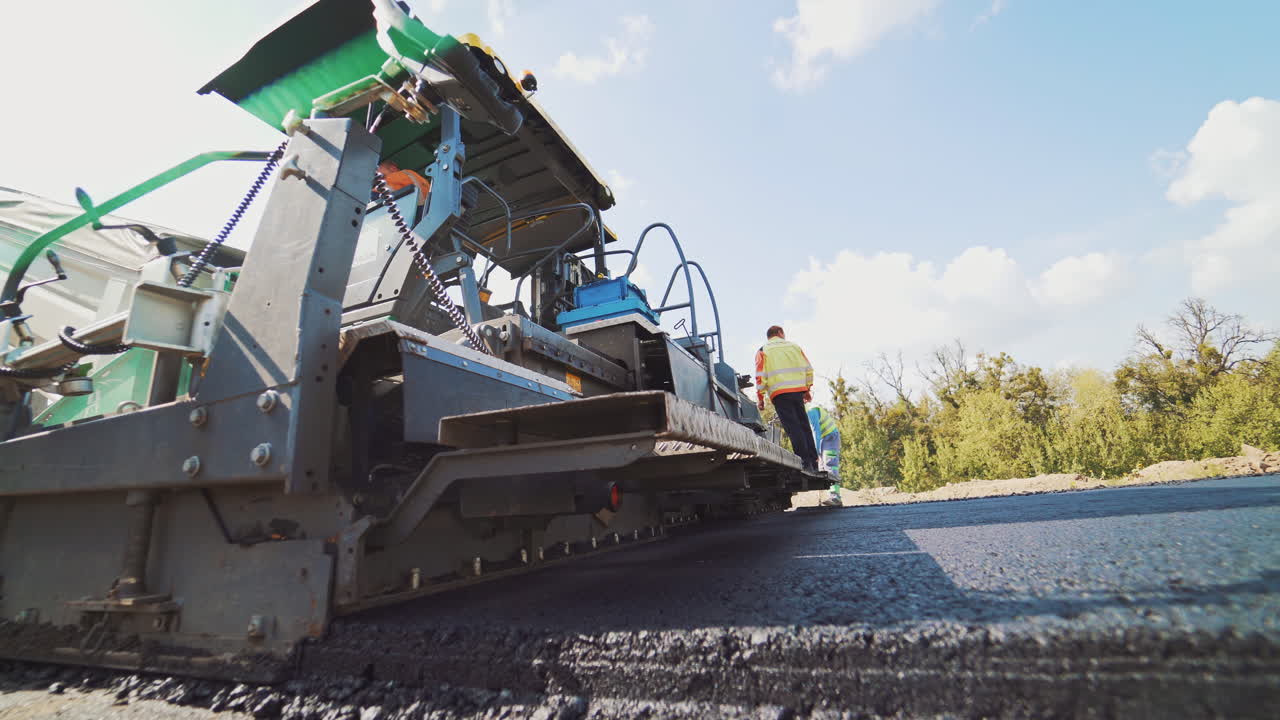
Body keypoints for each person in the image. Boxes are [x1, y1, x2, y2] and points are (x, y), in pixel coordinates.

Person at [754, 325, 820, 472]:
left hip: (780, 394)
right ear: (780, 333)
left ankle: (804, 462)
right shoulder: (795, 347)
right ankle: (814, 463)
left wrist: (760, 398)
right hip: (797, 391)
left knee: (793, 427)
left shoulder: (763, 351)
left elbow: (760, 377)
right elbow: (809, 369)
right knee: (804, 426)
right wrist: (807, 389)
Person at [807, 402, 843, 506]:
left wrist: (816, 452)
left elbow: (816, 432)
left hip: (831, 437)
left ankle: (836, 497)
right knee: (821, 469)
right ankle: (824, 498)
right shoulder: (805, 411)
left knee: (830, 465)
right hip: (823, 438)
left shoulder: (811, 410)